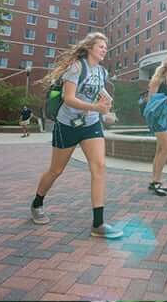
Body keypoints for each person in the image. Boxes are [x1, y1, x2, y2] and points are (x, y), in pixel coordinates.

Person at [30, 32, 122, 239]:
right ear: (89, 48)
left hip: (90, 124)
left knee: (99, 167)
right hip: (67, 125)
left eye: (106, 47)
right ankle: (37, 203)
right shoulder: (77, 68)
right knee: (56, 170)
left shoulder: (102, 72)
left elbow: (99, 92)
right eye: (101, 46)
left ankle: (98, 224)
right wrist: (96, 107)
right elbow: (68, 98)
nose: (104, 50)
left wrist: (106, 103)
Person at [145, 55, 167, 196]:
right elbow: (151, 101)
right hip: (158, 118)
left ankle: (154, 181)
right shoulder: (158, 80)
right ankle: (157, 181)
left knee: (160, 150)